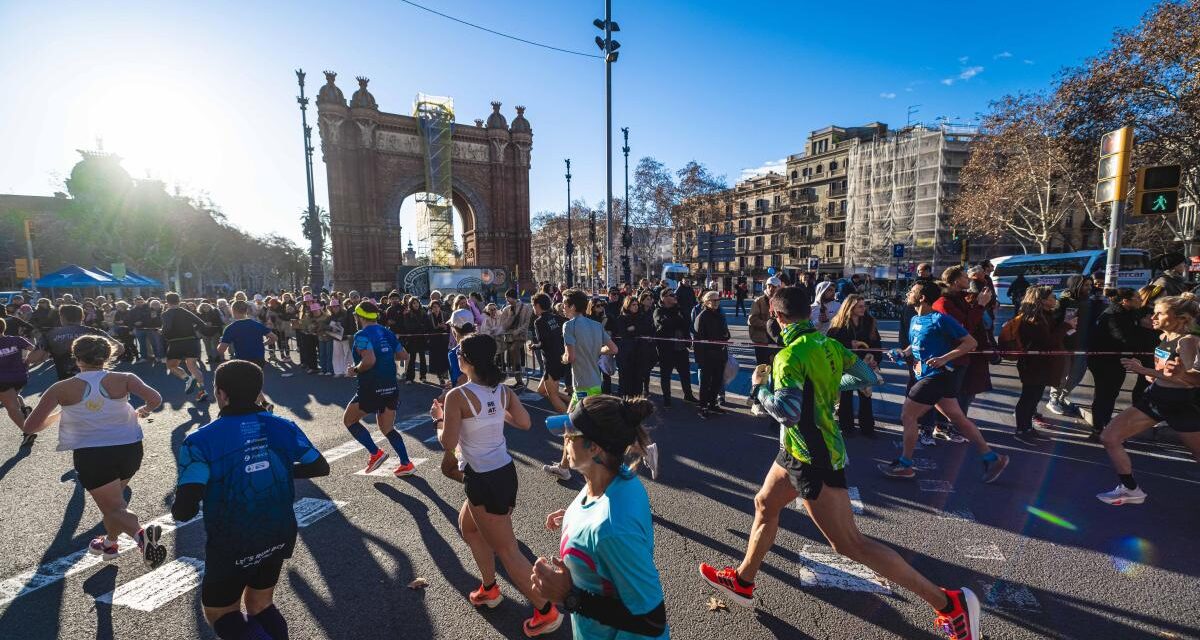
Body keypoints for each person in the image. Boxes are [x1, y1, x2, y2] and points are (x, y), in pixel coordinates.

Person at [697, 287, 984, 640]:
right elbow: (869, 378)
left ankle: (948, 604)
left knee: (850, 545)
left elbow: (787, 412)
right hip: (796, 451)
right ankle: (743, 580)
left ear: (777, 316)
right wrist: (829, 384)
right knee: (764, 504)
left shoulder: (788, 357)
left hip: (813, 455)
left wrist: (759, 388)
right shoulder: (829, 345)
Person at [173, 360, 330, 640]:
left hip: (233, 540)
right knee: (261, 603)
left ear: (220, 394)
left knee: (222, 613)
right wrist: (278, 469)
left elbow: (184, 509)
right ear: (260, 392)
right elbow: (320, 466)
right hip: (279, 529)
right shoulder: (283, 425)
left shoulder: (200, 440)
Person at [429, 335, 564, 637]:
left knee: (508, 550)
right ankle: (489, 588)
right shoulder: (502, 391)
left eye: (459, 353)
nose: (456, 357)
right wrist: (495, 413)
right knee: (469, 529)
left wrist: (439, 420)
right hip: (503, 472)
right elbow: (525, 422)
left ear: (468, 361)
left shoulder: (457, 396)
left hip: (482, 478)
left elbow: (448, 444)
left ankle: (546, 610)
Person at [22, 335, 168, 568]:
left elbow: (30, 426)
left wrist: (57, 416)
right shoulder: (125, 378)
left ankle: (142, 536)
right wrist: (144, 409)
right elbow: (155, 398)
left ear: (76, 357)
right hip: (129, 448)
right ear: (108, 356)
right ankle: (109, 544)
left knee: (114, 508)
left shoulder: (61, 388)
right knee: (114, 505)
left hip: (93, 454)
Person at [532, 395, 667, 639]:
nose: (564, 438)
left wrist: (568, 596)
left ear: (594, 447)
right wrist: (575, 519)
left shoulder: (611, 530)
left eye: (571, 433)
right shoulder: (617, 477)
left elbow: (653, 621)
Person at [880, 281, 1011, 481]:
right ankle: (992, 457)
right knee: (958, 419)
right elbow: (914, 348)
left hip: (938, 377)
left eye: (912, 290)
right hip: (929, 376)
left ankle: (905, 465)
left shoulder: (939, 319)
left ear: (922, 297)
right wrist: (900, 353)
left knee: (908, 416)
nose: (909, 293)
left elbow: (971, 343)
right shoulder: (915, 319)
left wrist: (944, 358)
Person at [1096, 294, 1200, 505]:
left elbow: (1193, 380)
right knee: (1109, 437)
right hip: (1155, 398)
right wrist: (1151, 374)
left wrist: (1145, 369)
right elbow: (1165, 373)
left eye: (1160, 313)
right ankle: (1130, 489)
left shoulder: (1188, 341)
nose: (1153, 316)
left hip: (1181, 404)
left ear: (1180, 318)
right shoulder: (1163, 338)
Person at [543, 289, 618, 482]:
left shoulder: (569, 326)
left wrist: (563, 358)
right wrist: (595, 351)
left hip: (581, 385)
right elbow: (613, 349)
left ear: (573, 307)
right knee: (573, 428)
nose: (563, 309)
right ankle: (564, 467)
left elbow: (571, 357)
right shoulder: (595, 325)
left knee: (579, 430)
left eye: (566, 306)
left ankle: (607, 470)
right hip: (595, 383)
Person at [342, 300, 416, 476]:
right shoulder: (386, 332)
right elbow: (404, 355)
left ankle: (376, 453)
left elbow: (369, 360)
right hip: (391, 387)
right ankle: (406, 463)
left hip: (371, 387)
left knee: (349, 420)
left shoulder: (361, 335)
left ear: (360, 317)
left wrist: (355, 370)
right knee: (387, 428)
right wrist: (386, 358)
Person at [1087, 289, 1158, 440]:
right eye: (1137, 297)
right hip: (1104, 362)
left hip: (1116, 361)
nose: (1140, 300)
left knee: (1111, 394)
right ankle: (1099, 429)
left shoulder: (1128, 312)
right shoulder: (1114, 315)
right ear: (1126, 301)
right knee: (1104, 394)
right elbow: (1123, 339)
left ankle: (1104, 426)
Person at [932, 267, 993, 429]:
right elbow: (963, 328)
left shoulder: (960, 298)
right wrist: (980, 306)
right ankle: (944, 426)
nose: (969, 280)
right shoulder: (943, 302)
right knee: (951, 395)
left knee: (965, 394)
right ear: (956, 281)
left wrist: (981, 302)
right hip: (952, 357)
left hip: (965, 356)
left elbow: (983, 324)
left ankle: (955, 426)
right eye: (966, 277)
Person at [1011, 286, 1074, 444]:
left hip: (1041, 364)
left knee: (1034, 397)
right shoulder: (1034, 318)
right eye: (1052, 297)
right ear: (1042, 300)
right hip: (1033, 364)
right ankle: (1021, 430)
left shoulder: (1045, 315)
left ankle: (1028, 428)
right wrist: (1066, 325)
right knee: (1028, 397)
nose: (1055, 300)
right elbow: (1048, 342)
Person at [826, 294, 881, 437]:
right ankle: (846, 426)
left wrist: (876, 359)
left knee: (866, 395)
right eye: (860, 306)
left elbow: (877, 344)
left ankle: (867, 428)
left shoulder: (869, 322)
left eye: (864, 306)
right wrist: (848, 344)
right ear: (850, 308)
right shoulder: (838, 324)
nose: (864, 309)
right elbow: (830, 345)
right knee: (846, 395)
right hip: (845, 364)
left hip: (864, 363)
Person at [1049, 275, 1100, 415]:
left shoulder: (1090, 302)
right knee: (1062, 374)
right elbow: (1054, 321)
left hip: (1082, 345)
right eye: (1086, 285)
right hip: (1064, 344)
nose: (1089, 288)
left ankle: (1061, 398)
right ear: (1076, 285)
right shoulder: (1064, 301)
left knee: (1077, 375)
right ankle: (1053, 400)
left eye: (1090, 285)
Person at [218, 300, 277, 410]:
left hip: (243, 360)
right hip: (259, 358)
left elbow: (221, 350)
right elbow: (274, 338)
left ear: (233, 310)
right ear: (247, 310)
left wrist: (220, 341)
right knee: (252, 383)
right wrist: (263, 344)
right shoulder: (256, 324)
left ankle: (254, 410)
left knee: (246, 386)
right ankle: (264, 404)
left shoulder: (231, 328)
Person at [44, 304, 123, 381]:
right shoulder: (94, 331)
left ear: (61, 317)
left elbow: (35, 357)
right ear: (83, 317)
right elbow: (120, 348)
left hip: (68, 379)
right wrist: (101, 357)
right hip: (95, 377)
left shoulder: (52, 334)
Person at [0, 317, 46, 447]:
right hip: (20, 377)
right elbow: (35, 350)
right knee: (12, 396)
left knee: (11, 407)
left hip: (3, 380)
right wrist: (27, 361)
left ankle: (28, 432)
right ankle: (24, 410)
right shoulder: (16, 339)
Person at [161, 292, 210, 402]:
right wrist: (193, 331)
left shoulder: (166, 314)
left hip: (176, 343)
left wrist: (162, 333)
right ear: (179, 300)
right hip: (192, 342)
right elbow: (202, 324)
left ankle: (188, 379)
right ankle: (202, 391)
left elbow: (167, 329)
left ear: (167, 301)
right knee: (193, 366)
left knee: (172, 366)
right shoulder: (186, 312)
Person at [652, 288, 696, 407]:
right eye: (671, 295)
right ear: (664, 298)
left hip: (681, 348)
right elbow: (664, 324)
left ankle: (688, 395)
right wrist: (676, 321)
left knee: (685, 374)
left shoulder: (679, 309)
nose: (675, 297)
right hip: (667, 349)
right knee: (666, 375)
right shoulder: (658, 311)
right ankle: (667, 399)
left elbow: (686, 323)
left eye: (675, 295)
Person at [531, 293, 570, 413]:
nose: (533, 308)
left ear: (537, 305)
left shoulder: (539, 322)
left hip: (551, 361)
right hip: (562, 358)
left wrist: (534, 346)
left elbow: (544, 343)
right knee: (541, 391)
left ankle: (570, 421)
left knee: (553, 396)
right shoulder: (558, 318)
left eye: (533, 305)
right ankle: (573, 401)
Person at [693, 291, 730, 418]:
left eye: (718, 300)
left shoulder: (720, 315)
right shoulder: (701, 317)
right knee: (705, 383)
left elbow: (726, 333)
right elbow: (698, 341)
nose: (716, 303)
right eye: (713, 300)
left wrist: (725, 336)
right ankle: (703, 406)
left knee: (717, 381)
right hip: (707, 356)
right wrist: (700, 359)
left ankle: (712, 403)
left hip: (720, 355)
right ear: (706, 302)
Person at [615, 296, 654, 398]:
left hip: (639, 352)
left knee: (638, 379)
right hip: (625, 353)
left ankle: (636, 401)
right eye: (633, 305)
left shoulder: (641, 317)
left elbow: (646, 329)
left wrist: (634, 328)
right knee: (625, 379)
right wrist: (632, 330)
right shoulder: (621, 318)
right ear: (627, 305)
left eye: (637, 304)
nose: (636, 307)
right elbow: (623, 333)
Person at [499, 289, 533, 389]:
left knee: (514, 350)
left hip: (520, 336)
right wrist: (510, 317)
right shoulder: (506, 309)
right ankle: (517, 379)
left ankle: (519, 376)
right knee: (510, 355)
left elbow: (526, 323)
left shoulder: (526, 308)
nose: (507, 300)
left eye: (507, 298)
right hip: (508, 336)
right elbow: (503, 325)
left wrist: (517, 331)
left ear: (511, 297)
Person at [748, 277, 782, 366]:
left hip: (777, 340)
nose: (771, 289)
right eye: (769, 286)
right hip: (762, 340)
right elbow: (752, 320)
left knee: (776, 367)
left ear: (779, 287)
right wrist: (768, 325)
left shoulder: (782, 302)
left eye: (774, 287)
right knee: (762, 368)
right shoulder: (759, 301)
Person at [402, 298, 431, 383]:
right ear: (411, 304)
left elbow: (426, 325)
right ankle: (409, 378)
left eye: (417, 302)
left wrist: (420, 327)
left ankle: (423, 376)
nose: (416, 304)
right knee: (412, 358)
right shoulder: (407, 314)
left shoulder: (423, 313)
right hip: (412, 339)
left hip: (422, 339)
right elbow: (408, 327)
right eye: (414, 303)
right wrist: (419, 326)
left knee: (423, 358)